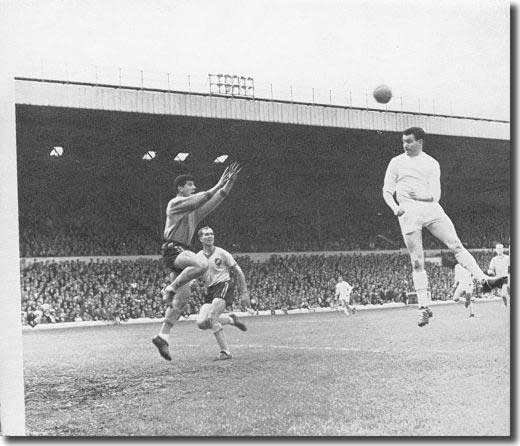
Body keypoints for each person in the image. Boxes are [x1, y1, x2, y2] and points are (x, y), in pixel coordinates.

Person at [382, 127, 507, 327]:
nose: (405, 145)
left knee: (456, 244)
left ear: (420, 142)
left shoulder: (431, 163)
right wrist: (395, 208)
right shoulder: (396, 162)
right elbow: (387, 191)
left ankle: (484, 280)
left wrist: (420, 197)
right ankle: (424, 308)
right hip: (408, 213)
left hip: (431, 209)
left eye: (410, 141)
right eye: (403, 141)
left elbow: (436, 195)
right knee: (417, 261)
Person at [152, 163, 241, 361]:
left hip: (181, 251)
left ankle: (162, 336)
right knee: (201, 265)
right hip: (173, 248)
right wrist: (218, 183)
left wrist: (228, 185)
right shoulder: (175, 203)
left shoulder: (192, 212)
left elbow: (215, 201)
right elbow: (201, 198)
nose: (193, 187)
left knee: (181, 301)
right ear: (180, 188)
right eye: (190, 185)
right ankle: (170, 288)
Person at [195, 226, 250, 360]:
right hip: (210, 290)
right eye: (207, 234)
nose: (210, 236)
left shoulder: (222, 253)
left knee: (212, 315)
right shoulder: (198, 256)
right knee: (201, 323)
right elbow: (193, 275)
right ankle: (231, 320)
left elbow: (238, 271)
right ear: (201, 239)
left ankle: (225, 352)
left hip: (224, 285)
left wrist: (244, 292)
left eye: (212, 234)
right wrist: (192, 282)